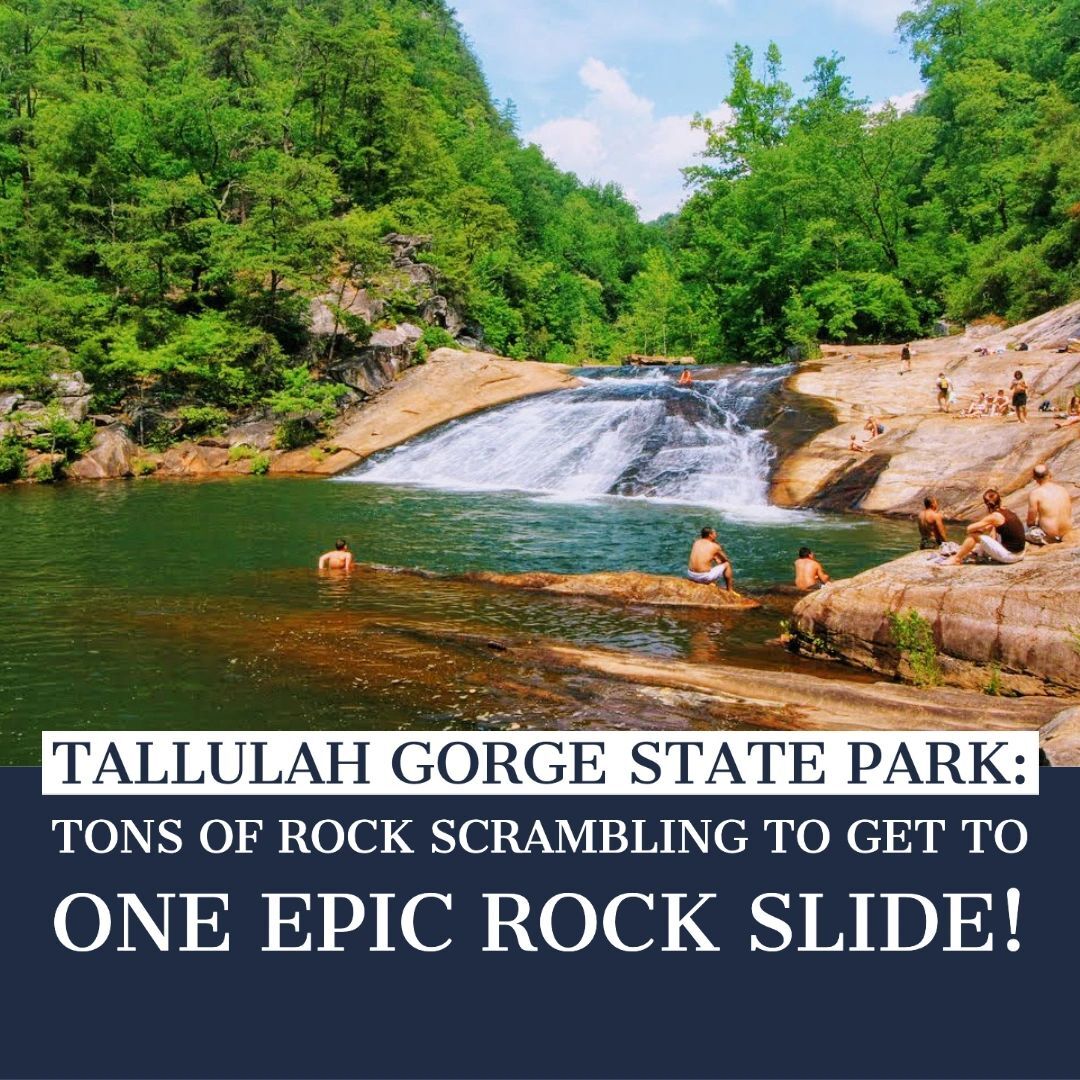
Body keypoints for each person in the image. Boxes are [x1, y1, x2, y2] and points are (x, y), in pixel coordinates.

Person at [944, 489, 1026, 565]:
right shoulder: (1007, 511)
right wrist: (984, 528)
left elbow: (969, 528)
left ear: (987, 504)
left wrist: (979, 531)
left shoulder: (994, 516)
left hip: (1010, 556)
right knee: (987, 530)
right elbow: (992, 528)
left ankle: (956, 559)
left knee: (973, 536)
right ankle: (977, 552)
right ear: (1000, 500)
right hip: (1021, 554)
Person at [1026, 464, 1072, 544]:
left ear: (1035, 478)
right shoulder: (1063, 489)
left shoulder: (1035, 494)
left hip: (1049, 536)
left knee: (1023, 531)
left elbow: (1030, 522)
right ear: (1050, 475)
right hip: (1066, 532)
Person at [687, 527, 734, 591]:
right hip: (703, 577)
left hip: (691, 575)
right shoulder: (715, 546)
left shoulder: (696, 542)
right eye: (715, 533)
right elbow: (725, 559)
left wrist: (714, 557)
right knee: (727, 564)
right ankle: (730, 590)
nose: (716, 535)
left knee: (708, 562)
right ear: (710, 535)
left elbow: (705, 553)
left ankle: (709, 582)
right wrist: (718, 559)